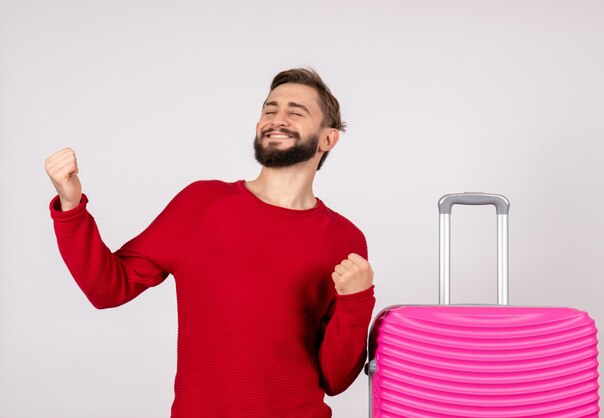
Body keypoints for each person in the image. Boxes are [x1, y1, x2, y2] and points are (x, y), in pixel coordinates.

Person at [45, 68, 375, 418]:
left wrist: (357, 301)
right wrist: (70, 206)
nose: (276, 119)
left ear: (328, 139)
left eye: (295, 112)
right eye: (269, 109)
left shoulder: (344, 239)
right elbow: (107, 288)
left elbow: (335, 379)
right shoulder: (201, 204)